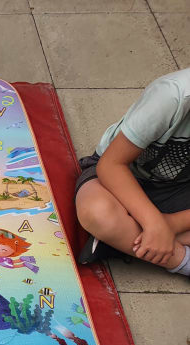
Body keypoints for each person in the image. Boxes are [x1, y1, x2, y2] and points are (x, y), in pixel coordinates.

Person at [75, 68, 190, 277]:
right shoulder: (172, 95)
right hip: (121, 177)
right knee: (97, 212)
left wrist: (170, 225)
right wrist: (153, 222)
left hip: (179, 190)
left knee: (113, 224)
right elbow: (110, 165)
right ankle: (180, 258)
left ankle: (121, 241)